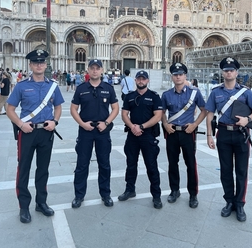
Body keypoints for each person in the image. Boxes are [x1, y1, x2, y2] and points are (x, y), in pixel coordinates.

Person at [6, 49, 64, 224]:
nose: (39, 65)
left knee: (43, 169)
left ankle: (41, 202)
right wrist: (21, 124)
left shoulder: (52, 86)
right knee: (23, 168)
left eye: (42, 62)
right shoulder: (22, 86)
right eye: (35, 62)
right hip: (27, 132)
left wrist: (55, 121)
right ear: (30, 65)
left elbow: (58, 107)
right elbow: (10, 109)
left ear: (46, 65)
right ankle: (24, 206)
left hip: (46, 132)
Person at [205, 57, 252, 222]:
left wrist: (247, 119)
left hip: (241, 134)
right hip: (223, 133)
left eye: (231, 70)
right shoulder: (216, 92)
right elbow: (209, 114)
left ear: (237, 72)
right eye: (226, 70)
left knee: (241, 171)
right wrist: (209, 135)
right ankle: (229, 201)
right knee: (225, 170)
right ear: (222, 72)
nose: (228, 72)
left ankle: (240, 204)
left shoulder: (246, 92)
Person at [70, 59, 119, 208]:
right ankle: (79, 195)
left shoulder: (108, 88)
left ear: (102, 70)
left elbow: (115, 108)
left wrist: (106, 122)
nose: (95, 71)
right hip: (85, 130)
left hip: (102, 131)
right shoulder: (81, 88)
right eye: (92, 68)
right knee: (82, 164)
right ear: (88, 70)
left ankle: (105, 194)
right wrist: (82, 124)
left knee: (104, 164)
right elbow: (73, 109)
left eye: (97, 68)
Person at [161, 63, 206, 208]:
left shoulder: (194, 92)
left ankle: (193, 194)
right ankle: (175, 190)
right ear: (172, 77)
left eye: (181, 74)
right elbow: (161, 112)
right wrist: (165, 124)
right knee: (172, 163)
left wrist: (194, 125)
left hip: (188, 133)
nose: (178, 76)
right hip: (172, 132)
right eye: (175, 74)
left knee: (191, 164)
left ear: (185, 76)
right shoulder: (166, 94)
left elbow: (204, 110)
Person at [119, 70, 163, 209]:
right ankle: (130, 189)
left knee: (151, 166)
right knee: (131, 164)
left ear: (147, 81)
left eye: (143, 79)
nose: (141, 81)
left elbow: (158, 116)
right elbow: (124, 113)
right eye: (139, 79)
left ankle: (156, 196)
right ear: (135, 80)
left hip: (148, 135)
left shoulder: (154, 96)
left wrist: (142, 126)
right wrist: (132, 126)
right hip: (132, 135)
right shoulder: (130, 96)